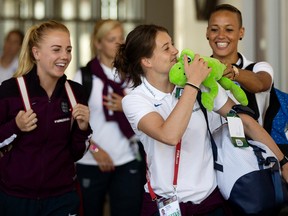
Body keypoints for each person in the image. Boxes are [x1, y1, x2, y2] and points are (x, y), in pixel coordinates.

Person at [113, 24, 288, 216]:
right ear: (146, 61)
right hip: (164, 204)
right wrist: (193, 82)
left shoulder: (200, 86)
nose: (176, 51)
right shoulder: (135, 99)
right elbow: (169, 135)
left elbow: (244, 121)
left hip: (210, 202)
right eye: (166, 48)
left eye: (172, 44)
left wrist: (284, 162)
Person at [0, 20, 92, 216]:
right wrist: (15, 126)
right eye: (56, 50)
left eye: (68, 50)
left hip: (62, 198)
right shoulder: (10, 90)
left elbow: (77, 153)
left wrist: (83, 128)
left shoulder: (76, 93)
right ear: (36, 53)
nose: (64, 57)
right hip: (16, 198)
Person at [73, 19, 143, 216]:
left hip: (128, 158)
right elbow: (74, 124)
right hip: (91, 162)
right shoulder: (84, 77)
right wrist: (94, 149)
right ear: (98, 43)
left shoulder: (133, 76)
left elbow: (148, 116)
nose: (119, 44)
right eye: (112, 39)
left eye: (121, 38)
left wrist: (125, 106)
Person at [206, 3, 274, 128]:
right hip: (209, 147)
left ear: (241, 32)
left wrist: (234, 72)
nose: (221, 35)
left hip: (251, 146)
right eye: (214, 29)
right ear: (207, 33)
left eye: (229, 29)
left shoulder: (259, 67)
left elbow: (260, 83)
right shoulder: (200, 69)